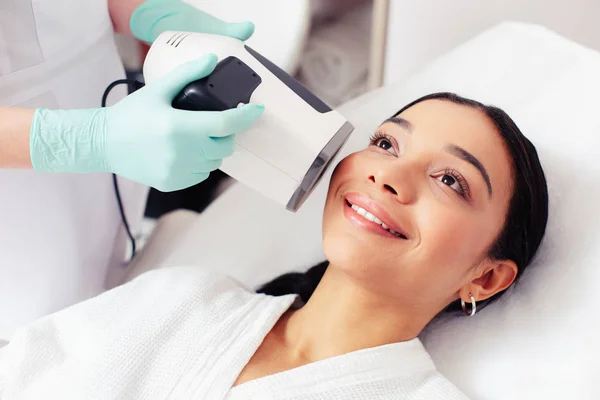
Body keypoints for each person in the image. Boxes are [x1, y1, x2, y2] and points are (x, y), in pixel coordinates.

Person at [0, 93, 548, 399]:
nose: (388, 175)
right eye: (385, 142)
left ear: (487, 278)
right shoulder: (183, 298)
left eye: (450, 180)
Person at [0, 0, 264, 340]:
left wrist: (149, 14)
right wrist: (89, 139)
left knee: (101, 259)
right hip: (19, 198)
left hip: (101, 112)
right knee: (43, 327)